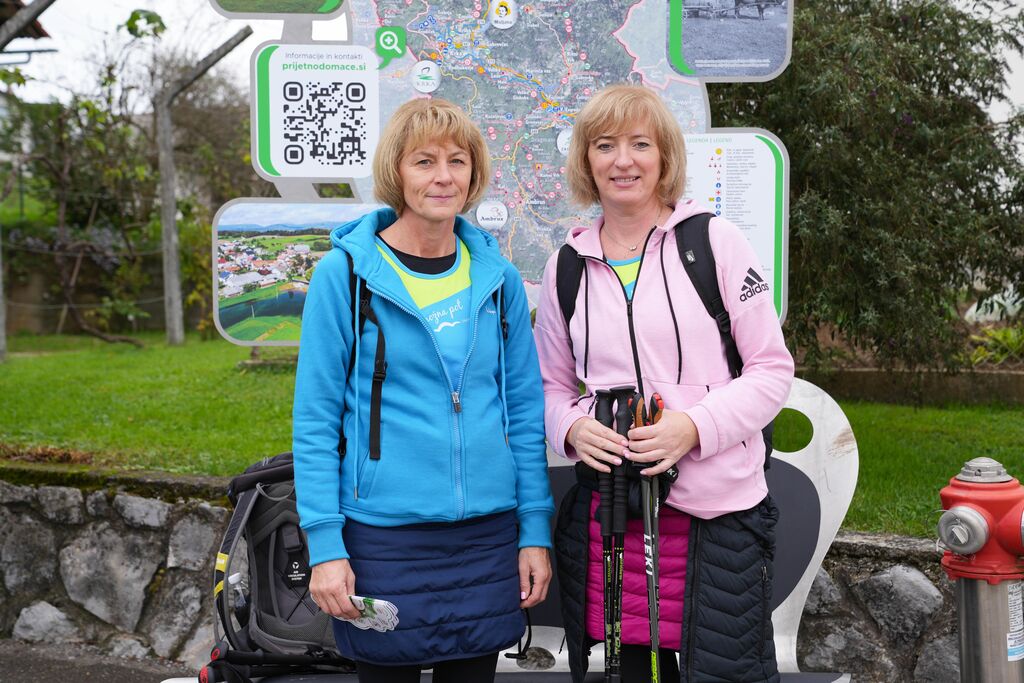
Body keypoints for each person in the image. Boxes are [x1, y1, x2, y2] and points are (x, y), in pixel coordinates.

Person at [534, 84, 794, 682]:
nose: (622, 161)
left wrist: (693, 427)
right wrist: (571, 428)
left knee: (726, 671)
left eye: (640, 144)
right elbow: (549, 388)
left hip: (716, 512)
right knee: (634, 674)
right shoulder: (565, 268)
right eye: (605, 145)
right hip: (617, 509)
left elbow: (771, 369)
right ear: (586, 160)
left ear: (665, 156)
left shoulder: (714, 243)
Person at [292, 97, 554, 683]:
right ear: (397, 172)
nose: (443, 177)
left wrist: (533, 530)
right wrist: (326, 546)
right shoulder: (345, 277)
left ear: (473, 173)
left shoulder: (498, 279)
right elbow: (315, 422)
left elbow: (524, 413)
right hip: (384, 537)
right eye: (424, 161)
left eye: (457, 161)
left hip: (486, 534)